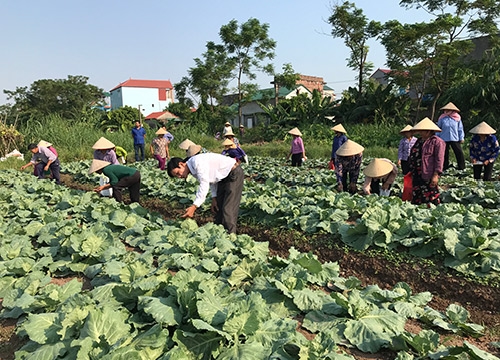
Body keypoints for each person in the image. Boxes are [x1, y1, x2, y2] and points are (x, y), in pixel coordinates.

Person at [166, 153, 244, 234]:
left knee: (228, 209)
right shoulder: (192, 169)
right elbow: (212, 179)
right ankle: (219, 234)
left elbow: (204, 184)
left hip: (233, 174)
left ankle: (231, 237)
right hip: (222, 178)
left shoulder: (196, 163)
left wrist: (194, 206)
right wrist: (214, 197)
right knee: (219, 207)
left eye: (178, 173)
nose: (179, 176)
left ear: (181, 164)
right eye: (177, 176)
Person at [408, 117, 445, 206]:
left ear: (428, 131)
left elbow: (439, 159)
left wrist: (436, 175)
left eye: (422, 131)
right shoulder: (419, 141)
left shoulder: (437, 142)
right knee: (417, 194)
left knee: (430, 195)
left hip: (428, 173)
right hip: (416, 173)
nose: (420, 132)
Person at [436, 102, 465, 170]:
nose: (446, 111)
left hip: (454, 138)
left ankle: (461, 167)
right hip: (444, 138)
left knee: (459, 152)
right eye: (446, 110)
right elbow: (438, 128)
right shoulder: (442, 118)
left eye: (448, 110)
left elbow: (460, 128)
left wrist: (461, 137)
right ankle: (444, 167)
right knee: (444, 153)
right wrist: (437, 137)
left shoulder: (457, 118)